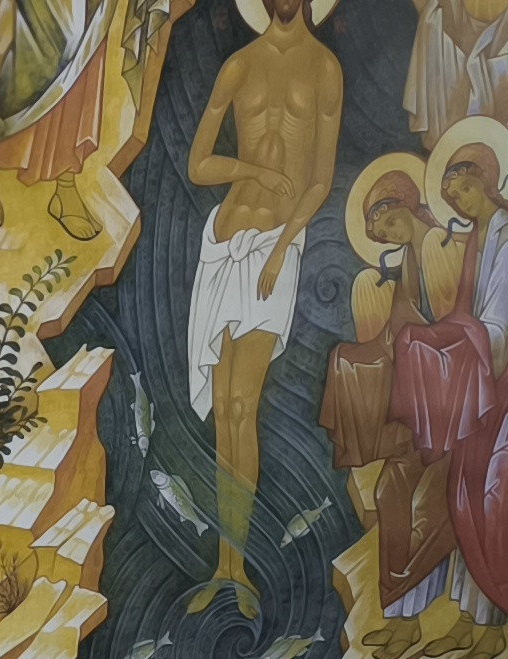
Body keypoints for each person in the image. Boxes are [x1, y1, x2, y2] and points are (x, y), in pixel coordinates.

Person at [179, 0, 343, 620]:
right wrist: (251, 169)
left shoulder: (325, 68)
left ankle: (239, 565)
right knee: (224, 411)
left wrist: (281, 248)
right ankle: (224, 568)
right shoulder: (238, 66)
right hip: (221, 245)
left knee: (244, 404)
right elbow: (199, 166)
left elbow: (321, 180)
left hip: (277, 244)